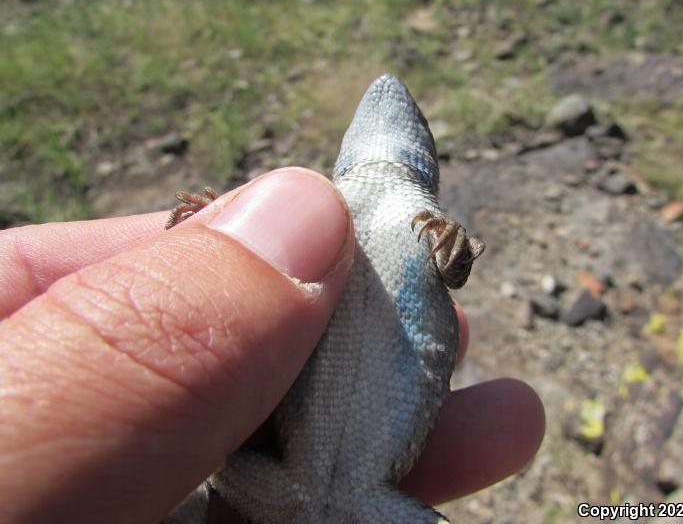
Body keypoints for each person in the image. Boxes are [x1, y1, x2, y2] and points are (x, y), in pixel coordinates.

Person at [0, 168, 545, 523]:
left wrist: (458, 252)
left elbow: (451, 273)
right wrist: (209, 236)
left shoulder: (416, 221)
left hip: (277, 478)